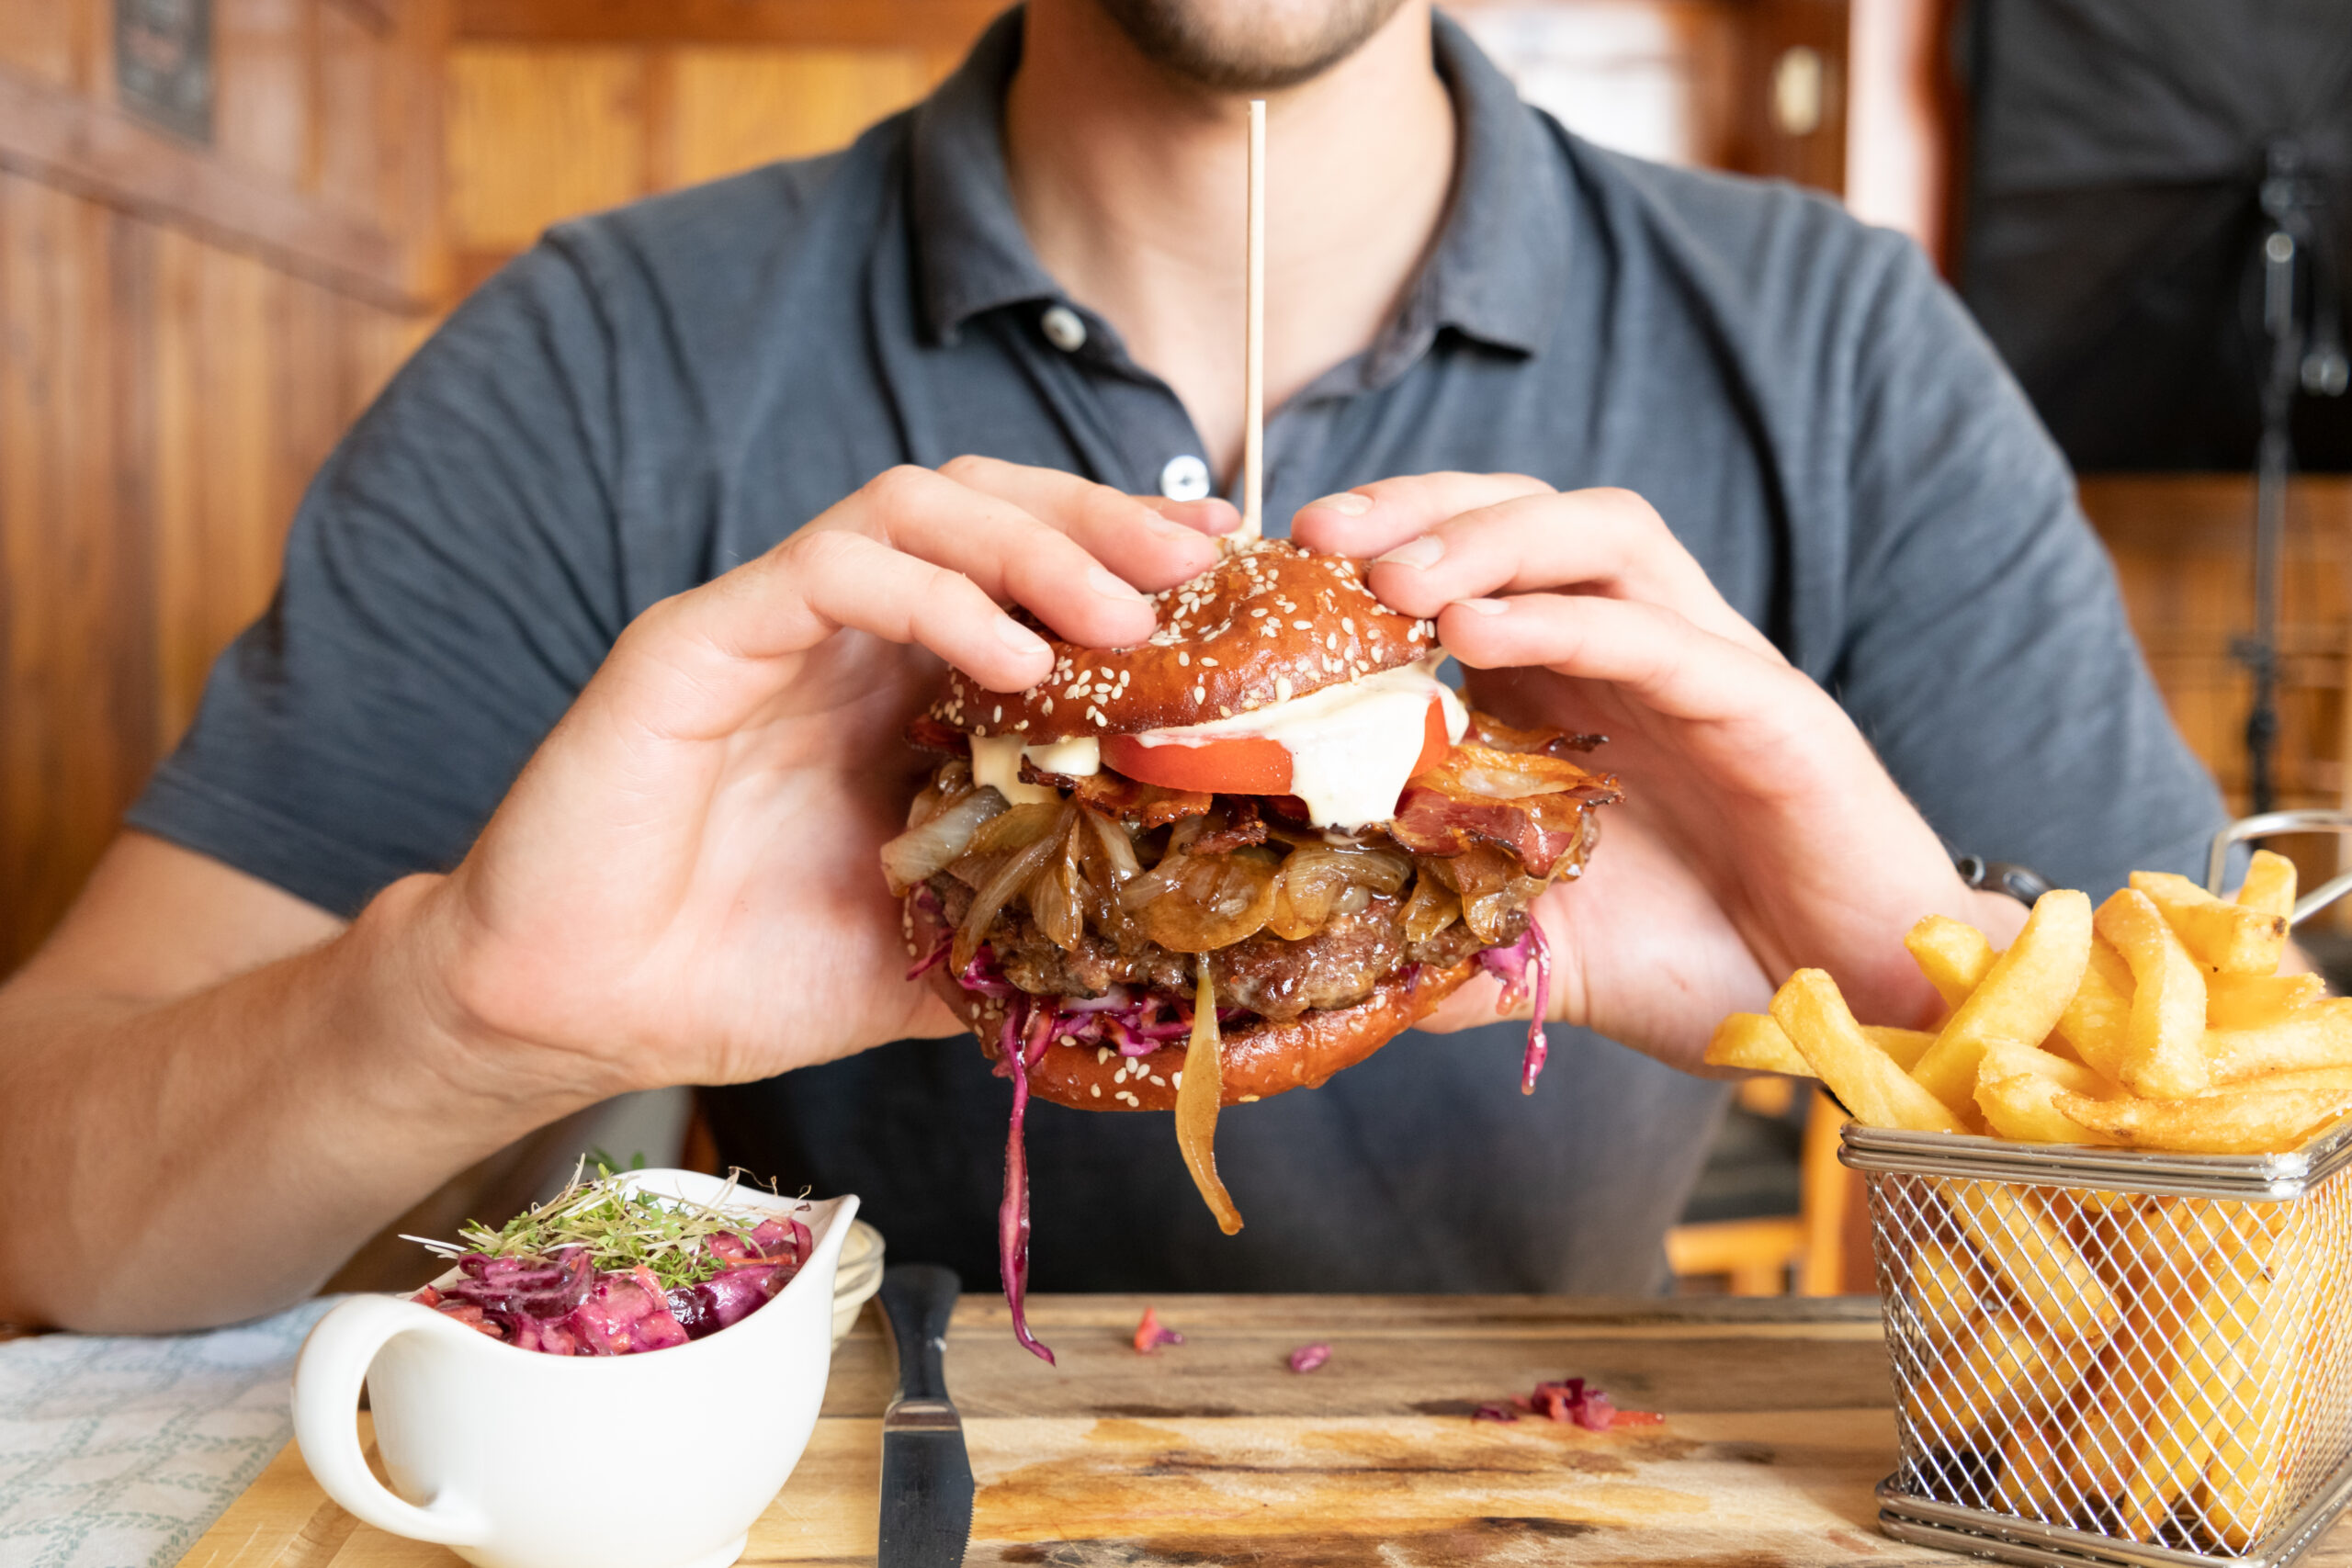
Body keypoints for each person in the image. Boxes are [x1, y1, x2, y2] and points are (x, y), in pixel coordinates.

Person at [0, 0, 2222, 1333]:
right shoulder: (603, 352)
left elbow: (2263, 1276)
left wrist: (1913, 997)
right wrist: (461, 1000)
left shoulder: (1835, 346)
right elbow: (48, 1217)